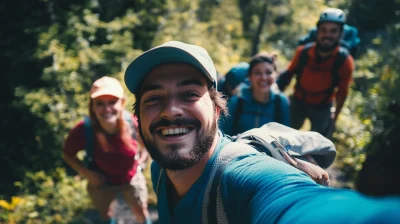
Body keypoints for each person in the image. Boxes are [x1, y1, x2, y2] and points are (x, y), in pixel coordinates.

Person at [124, 41, 400, 223]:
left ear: (217, 111)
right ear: (138, 118)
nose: (170, 111)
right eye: (153, 98)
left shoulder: (244, 179)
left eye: (189, 94)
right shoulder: (161, 170)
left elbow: (294, 202)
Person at [62, 76, 151, 223]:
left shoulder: (133, 123)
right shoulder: (83, 130)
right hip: (101, 182)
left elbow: (147, 142)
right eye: (100, 104)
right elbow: (68, 154)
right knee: (106, 216)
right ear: (92, 106)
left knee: (141, 211)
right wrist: (87, 173)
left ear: (122, 103)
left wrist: (143, 158)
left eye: (112, 102)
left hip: (131, 178)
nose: (107, 109)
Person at [277, 8, 355, 138]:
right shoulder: (303, 52)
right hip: (297, 101)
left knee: (320, 146)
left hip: (323, 106)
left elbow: (342, 92)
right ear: (317, 32)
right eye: (323, 30)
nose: (327, 35)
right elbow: (288, 75)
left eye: (333, 31)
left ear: (340, 34)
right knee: (282, 138)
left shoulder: (345, 61)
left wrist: (335, 115)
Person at [221, 53, 290, 136]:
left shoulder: (281, 102)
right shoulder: (238, 100)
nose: (263, 77)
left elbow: (286, 137)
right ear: (249, 77)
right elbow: (224, 133)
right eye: (257, 73)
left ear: (275, 75)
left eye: (268, 72)